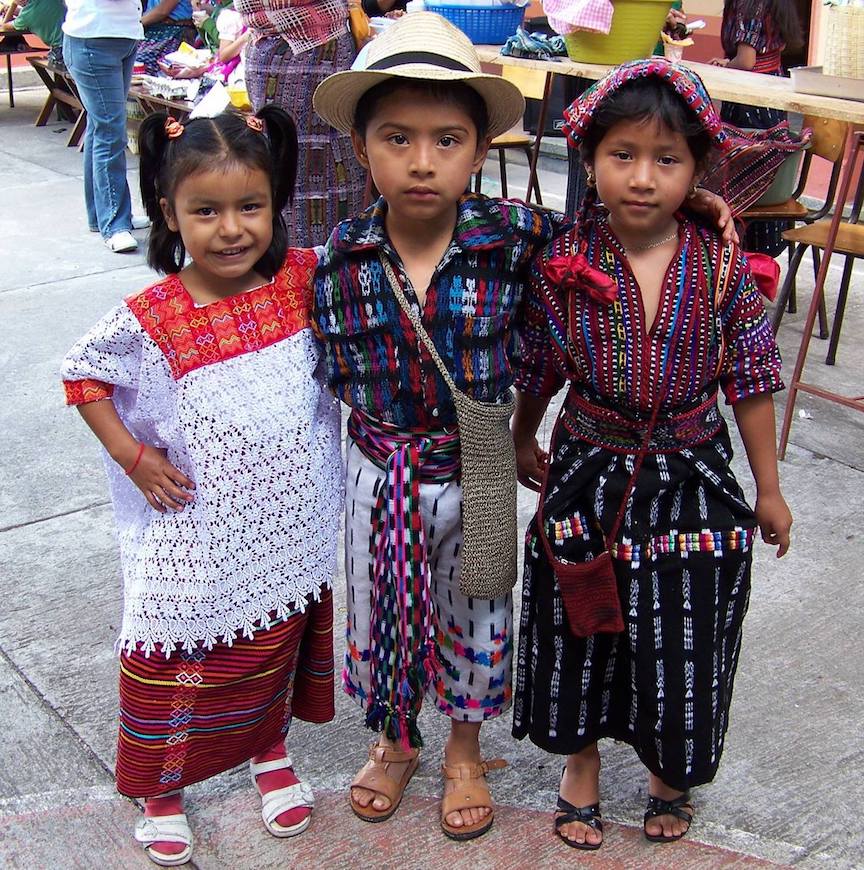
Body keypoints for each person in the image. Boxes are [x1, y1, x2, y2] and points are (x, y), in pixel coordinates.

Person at [311, 14, 737, 842]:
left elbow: (622, 223)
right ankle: (397, 739)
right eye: (397, 138)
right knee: (379, 602)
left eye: (448, 139)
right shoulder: (340, 257)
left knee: (477, 607)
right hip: (378, 462)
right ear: (363, 150)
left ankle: (465, 749)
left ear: (480, 151)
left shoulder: (517, 237)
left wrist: (699, 205)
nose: (423, 160)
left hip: (475, 455)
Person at [511, 58, 792, 850]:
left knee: (686, 624)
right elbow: (538, 366)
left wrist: (768, 488)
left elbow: (754, 378)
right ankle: (582, 766)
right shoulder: (563, 264)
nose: (643, 178)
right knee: (580, 618)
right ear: (589, 159)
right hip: (587, 470)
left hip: (693, 473)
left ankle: (671, 772)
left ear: (698, 170)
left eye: (667, 161)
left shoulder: (724, 265)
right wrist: (523, 435)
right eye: (622, 156)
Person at [60, 107, 344, 867]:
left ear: (276, 201)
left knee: (273, 645)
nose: (231, 230)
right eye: (206, 211)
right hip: (193, 530)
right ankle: (163, 787)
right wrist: (132, 457)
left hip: (290, 524)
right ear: (167, 210)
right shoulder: (150, 316)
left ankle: (269, 750)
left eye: (250, 206)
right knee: (174, 648)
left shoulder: (302, 279)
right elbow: (82, 374)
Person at [236, 0, 366, 247]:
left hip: (299, 41)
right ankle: (317, 265)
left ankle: (315, 264)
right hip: (307, 41)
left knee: (304, 163)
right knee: (297, 165)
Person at [710, 0, 803, 255]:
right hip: (771, 92)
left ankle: (742, 260)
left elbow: (747, 60)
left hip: (751, 101)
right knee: (766, 171)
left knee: (741, 177)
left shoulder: (749, 4)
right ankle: (761, 258)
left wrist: (724, 65)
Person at [63, 0, 149, 253]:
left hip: (121, 35)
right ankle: (114, 223)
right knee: (110, 131)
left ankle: (102, 213)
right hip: (94, 39)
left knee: (101, 128)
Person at [136, 0, 197, 75]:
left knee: (141, 65)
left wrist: (133, 24)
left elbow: (162, 11)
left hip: (174, 31)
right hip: (154, 29)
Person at [1, 0, 65, 66]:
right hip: (72, 42)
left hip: (60, 51)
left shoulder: (26, 16)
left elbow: (4, 26)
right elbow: (38, 12)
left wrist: (13, 5)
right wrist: (18, 11)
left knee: (52, 61)